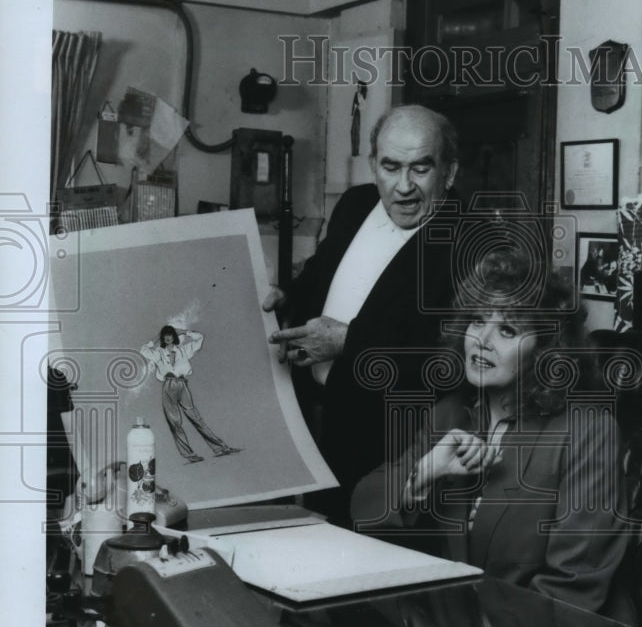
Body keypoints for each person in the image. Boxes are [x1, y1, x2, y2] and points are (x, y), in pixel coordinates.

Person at [351, 249, 639, 621]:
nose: (482, 340)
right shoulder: (452, 411)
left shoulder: (589, 431)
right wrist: (424, 471)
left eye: (507, 330)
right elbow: (363, 507)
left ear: (547, 352)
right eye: (477, 320)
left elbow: (573, 585)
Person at [262, 104, 460, 516]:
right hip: (316, 423)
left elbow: (451, 359)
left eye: (420, 169)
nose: (403, 186)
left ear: (449, 172)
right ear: (373, 165)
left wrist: (349, 341)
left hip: (393, 448)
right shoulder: (355, 204)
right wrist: (289, 297)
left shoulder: (469, 241)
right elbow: (319, 277)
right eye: (390, 167)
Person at [139, 325, 240, 463]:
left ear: (174, 336)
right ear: (162, 338)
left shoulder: (183, 350)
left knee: (196, 418)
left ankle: (221, 447)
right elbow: (144, 350)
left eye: (170, 334)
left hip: (182, 385)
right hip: (168, 386)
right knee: (175, 422)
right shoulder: (158, 353)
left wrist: (185, 332)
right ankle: (188, 454)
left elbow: (199, 338)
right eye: (165, 335)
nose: (167, 337)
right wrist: (156, 337)